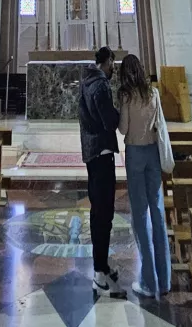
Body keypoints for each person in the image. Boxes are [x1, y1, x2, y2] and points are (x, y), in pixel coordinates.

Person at [118, 54, 172, 299]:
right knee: (158, 211)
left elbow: (123, 129)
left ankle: (148, 281)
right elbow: (159, 124)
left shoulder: (127, 95)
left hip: (136, 154)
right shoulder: (154, 93)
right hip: (153, 153)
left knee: (140, 214)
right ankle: (165, 280)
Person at [79, 46, 120, 294]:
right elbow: (110, 121)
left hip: (91, 152)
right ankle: (98, 272)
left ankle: (102, 265)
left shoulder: (85, 82)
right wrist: (121, 114)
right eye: (113, 63)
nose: (114, 68)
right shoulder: (102, 85)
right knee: (104, 213)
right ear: (109, 61)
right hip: (103, 152)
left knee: (99, 210)